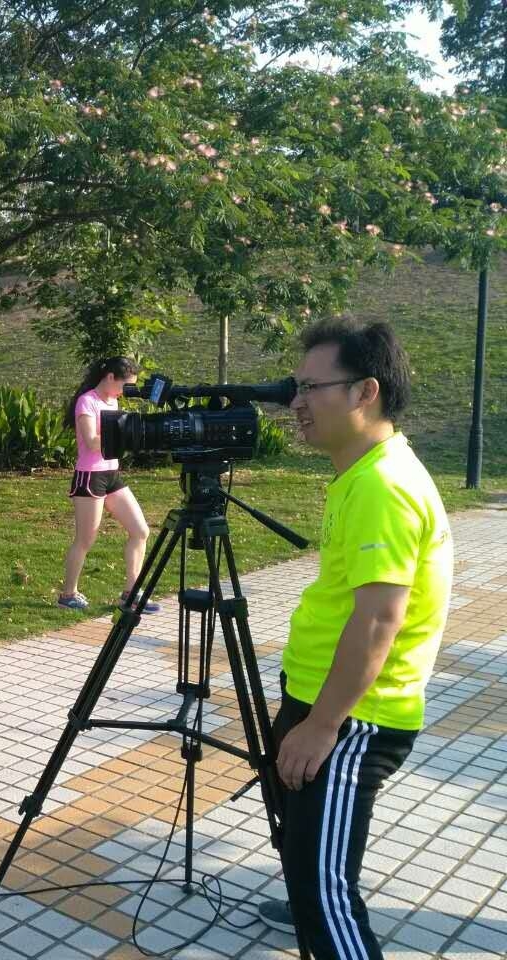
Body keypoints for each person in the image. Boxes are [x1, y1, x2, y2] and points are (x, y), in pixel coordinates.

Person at [256, 320, 453, 959]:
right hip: (322, 700)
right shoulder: (363, 472)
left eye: (312, 388)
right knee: (308, 863)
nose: (296, 403)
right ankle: (308, 894)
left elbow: (377, 619)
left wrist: (322, 726)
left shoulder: (382, 486)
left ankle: (319, 910)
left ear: (366, 391)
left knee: (326, 895)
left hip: (351, 719)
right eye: (296, 388)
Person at [57, 357, 158, 613]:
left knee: (140, 531)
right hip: (90, 476)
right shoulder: (87, 401)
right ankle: (68, 594)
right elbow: (92, 441)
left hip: (111, 474)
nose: (127, 391)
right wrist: (124, 432)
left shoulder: (113, 401)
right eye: (126, 385)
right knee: (85, 540)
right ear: (111, 377)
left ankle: (130, 593)